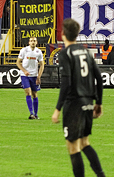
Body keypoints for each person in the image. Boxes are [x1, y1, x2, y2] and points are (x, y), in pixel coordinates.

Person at [51, 18, 106, 177]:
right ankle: (101, 175)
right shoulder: (85, 52)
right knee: (84, 143)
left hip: (74, 104)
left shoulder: (65, 53)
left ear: (62, 34)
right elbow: (99, 77)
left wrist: (57, 109)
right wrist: (99, 103)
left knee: (73, 147)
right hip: (88, 102)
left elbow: (66, 83)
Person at [17, 36, 44, 119]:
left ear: (36, 42)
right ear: (29, 42)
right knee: (28, 92)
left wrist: (38, 76)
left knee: (34, 94)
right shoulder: (24, 50)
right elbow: (18, 62)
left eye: (34, 41)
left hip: (34, 75)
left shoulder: (38, 52)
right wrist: (24, 71)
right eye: (31, 41)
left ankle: (36, 114)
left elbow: (42, 64)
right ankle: (31, 113)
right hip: (25, 75)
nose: (33, 42)